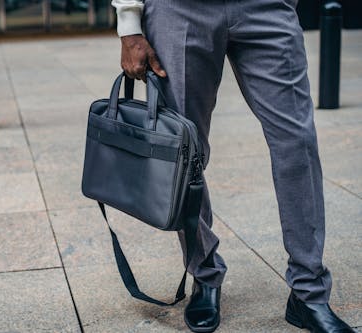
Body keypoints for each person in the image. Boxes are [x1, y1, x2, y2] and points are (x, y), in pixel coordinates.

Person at [111, 0, 355, 332]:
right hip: (179, 11)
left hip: (265, 7)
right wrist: (129, 22)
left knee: (297, 143)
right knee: (184, 151)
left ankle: (309, 291)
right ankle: (205, 272)